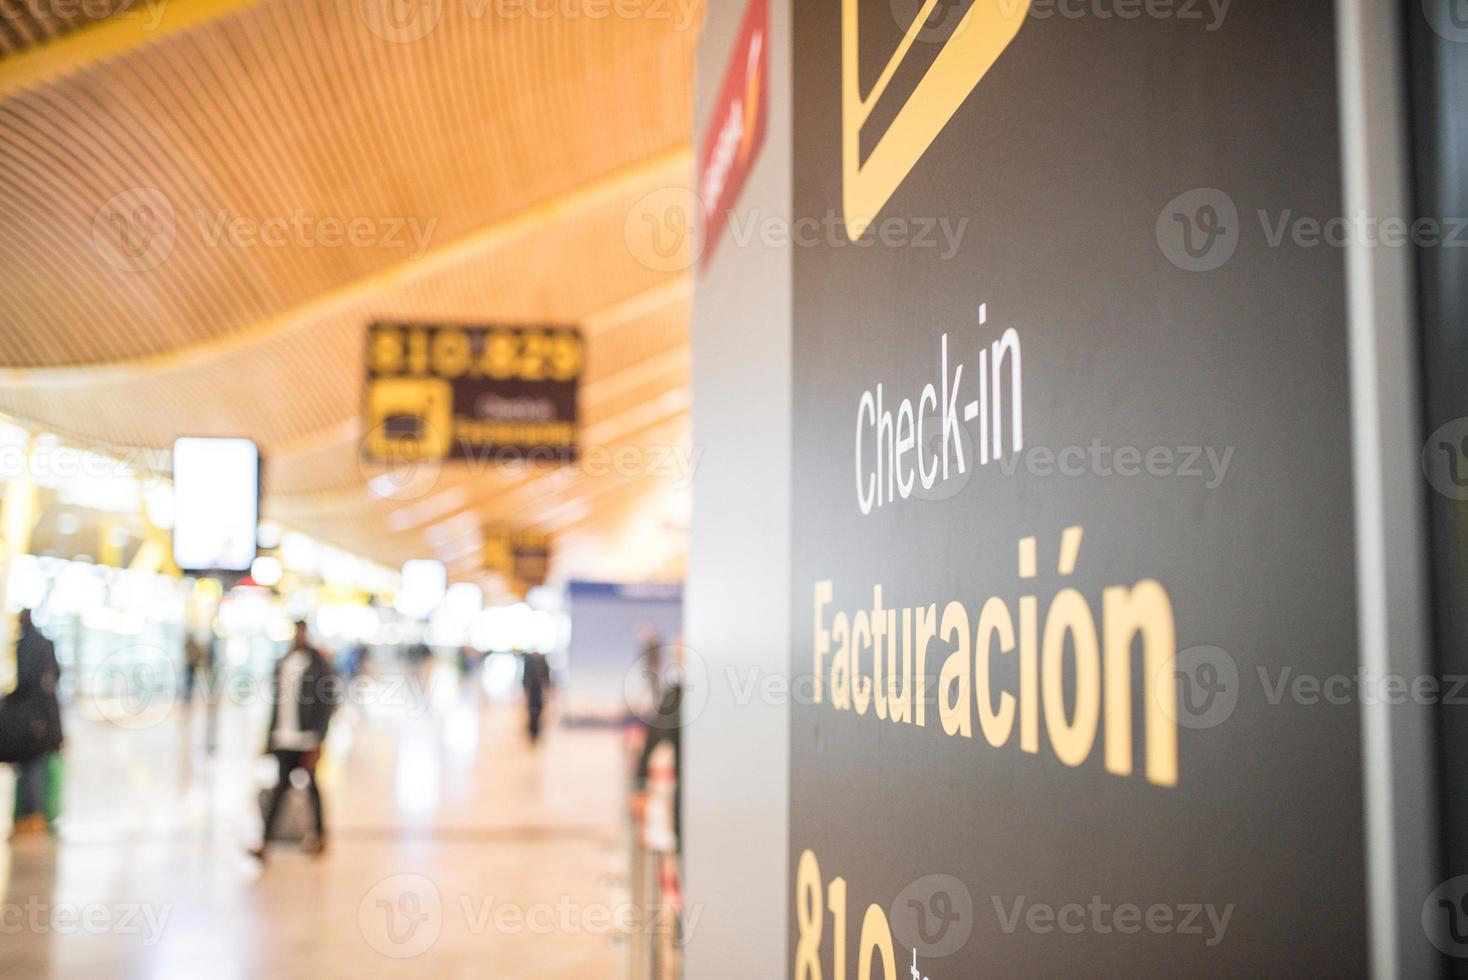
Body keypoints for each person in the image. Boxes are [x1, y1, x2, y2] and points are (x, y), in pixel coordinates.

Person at [251, 621, 338, 861]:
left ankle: (319, 836)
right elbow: (277, 704)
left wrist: (319, 738)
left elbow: (327, 703)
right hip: (284, 738)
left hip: (306, 738)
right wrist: (269, 737)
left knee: (312, 788)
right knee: (279, 788)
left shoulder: (318, 664)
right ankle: (265, 840)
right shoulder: (285, 661)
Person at [3, 611, 63, 836]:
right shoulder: (44, 643)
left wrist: (11, 701)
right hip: (43, 718)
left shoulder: (28, 645)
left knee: (32, 766)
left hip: (32, 720)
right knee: (34, 765)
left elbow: (26, 681)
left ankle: (33, 815)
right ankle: (33, 815)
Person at [521, 649, 551, 743]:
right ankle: (532, 731)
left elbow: (546, 676)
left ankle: (535, 730)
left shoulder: (540, 660)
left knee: (537, 709)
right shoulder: (530, 661)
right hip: (533, 689)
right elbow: (526, 676)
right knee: (532, 710)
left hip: (538, 689)